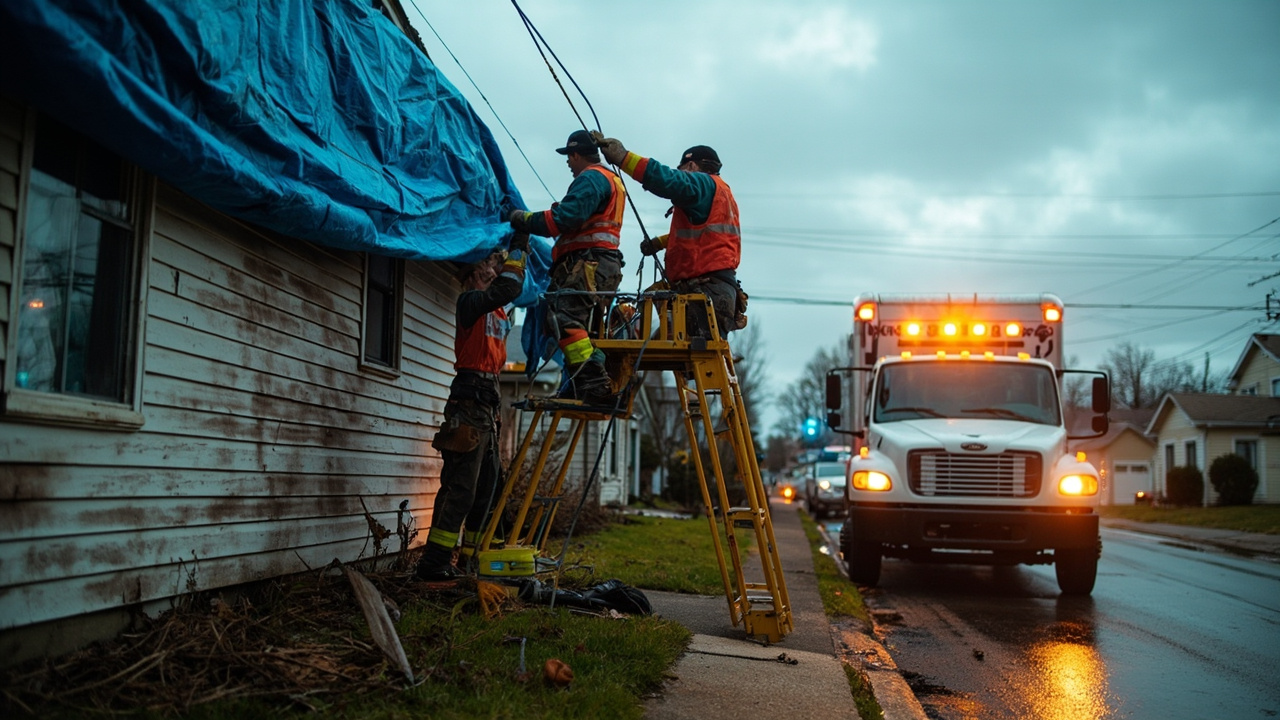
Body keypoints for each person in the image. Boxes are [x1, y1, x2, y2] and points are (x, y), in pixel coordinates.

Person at [415, 236, 529, 582]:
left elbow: (509, 296)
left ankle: (470, 561)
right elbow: (506, 289)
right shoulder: (470, 302)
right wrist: (519, 251)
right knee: (460, 487)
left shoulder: (497, 312)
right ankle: (433, 563)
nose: (495, 272)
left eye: (497, 265)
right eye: (489, 266)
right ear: (473, 271)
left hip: (488, 402)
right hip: (468, 400)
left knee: (487, 489)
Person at [508, 129, 625, 403]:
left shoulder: (592, 178)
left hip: (587, 264)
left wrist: (523, 219)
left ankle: (594, 385)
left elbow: (564, 219)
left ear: (575, 154)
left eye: (569, 158)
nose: (568, 164)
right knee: (584, 330)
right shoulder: (612, 179)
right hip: (601, 266)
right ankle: (581, 382)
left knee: (565, 320)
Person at [593, 133, 745, 337]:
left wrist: (624, 158)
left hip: (704, 294)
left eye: (682, 169)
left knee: (670, 353)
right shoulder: (722, 193)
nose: (680, 173)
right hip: (718, 293)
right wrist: (661, 242)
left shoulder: (701, 184)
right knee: (684, 358)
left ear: (691, 166)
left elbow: (668, 180)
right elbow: (707, 238)